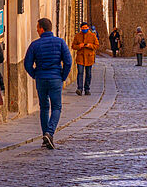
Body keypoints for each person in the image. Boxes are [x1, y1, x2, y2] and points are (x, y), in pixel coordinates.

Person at [24, 17, 72, 150]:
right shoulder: (60, 42)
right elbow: (68, 61)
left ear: (41, 29)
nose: (36, 30)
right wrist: (63, 76)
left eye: (37, 28)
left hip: (41, 78)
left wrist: (35, 74)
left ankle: (46, 136)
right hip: (55, 78)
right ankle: (49, 133)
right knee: (56, 107)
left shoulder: (35, 45)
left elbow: (27, 64)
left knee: (44, 107)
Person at [71, 21, 100, 95]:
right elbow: (73, 46)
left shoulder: (92, 35)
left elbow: (97, 46)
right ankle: (79, 88)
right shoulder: (77, 36)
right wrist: (79, 46)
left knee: (88, 74)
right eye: (83, 28)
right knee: (80, 73)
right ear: (81, 28)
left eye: (86, 28)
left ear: (88, 28)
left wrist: (90, 45)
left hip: (89, 57)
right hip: (80, 57)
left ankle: (87, 89)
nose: (84, 29)